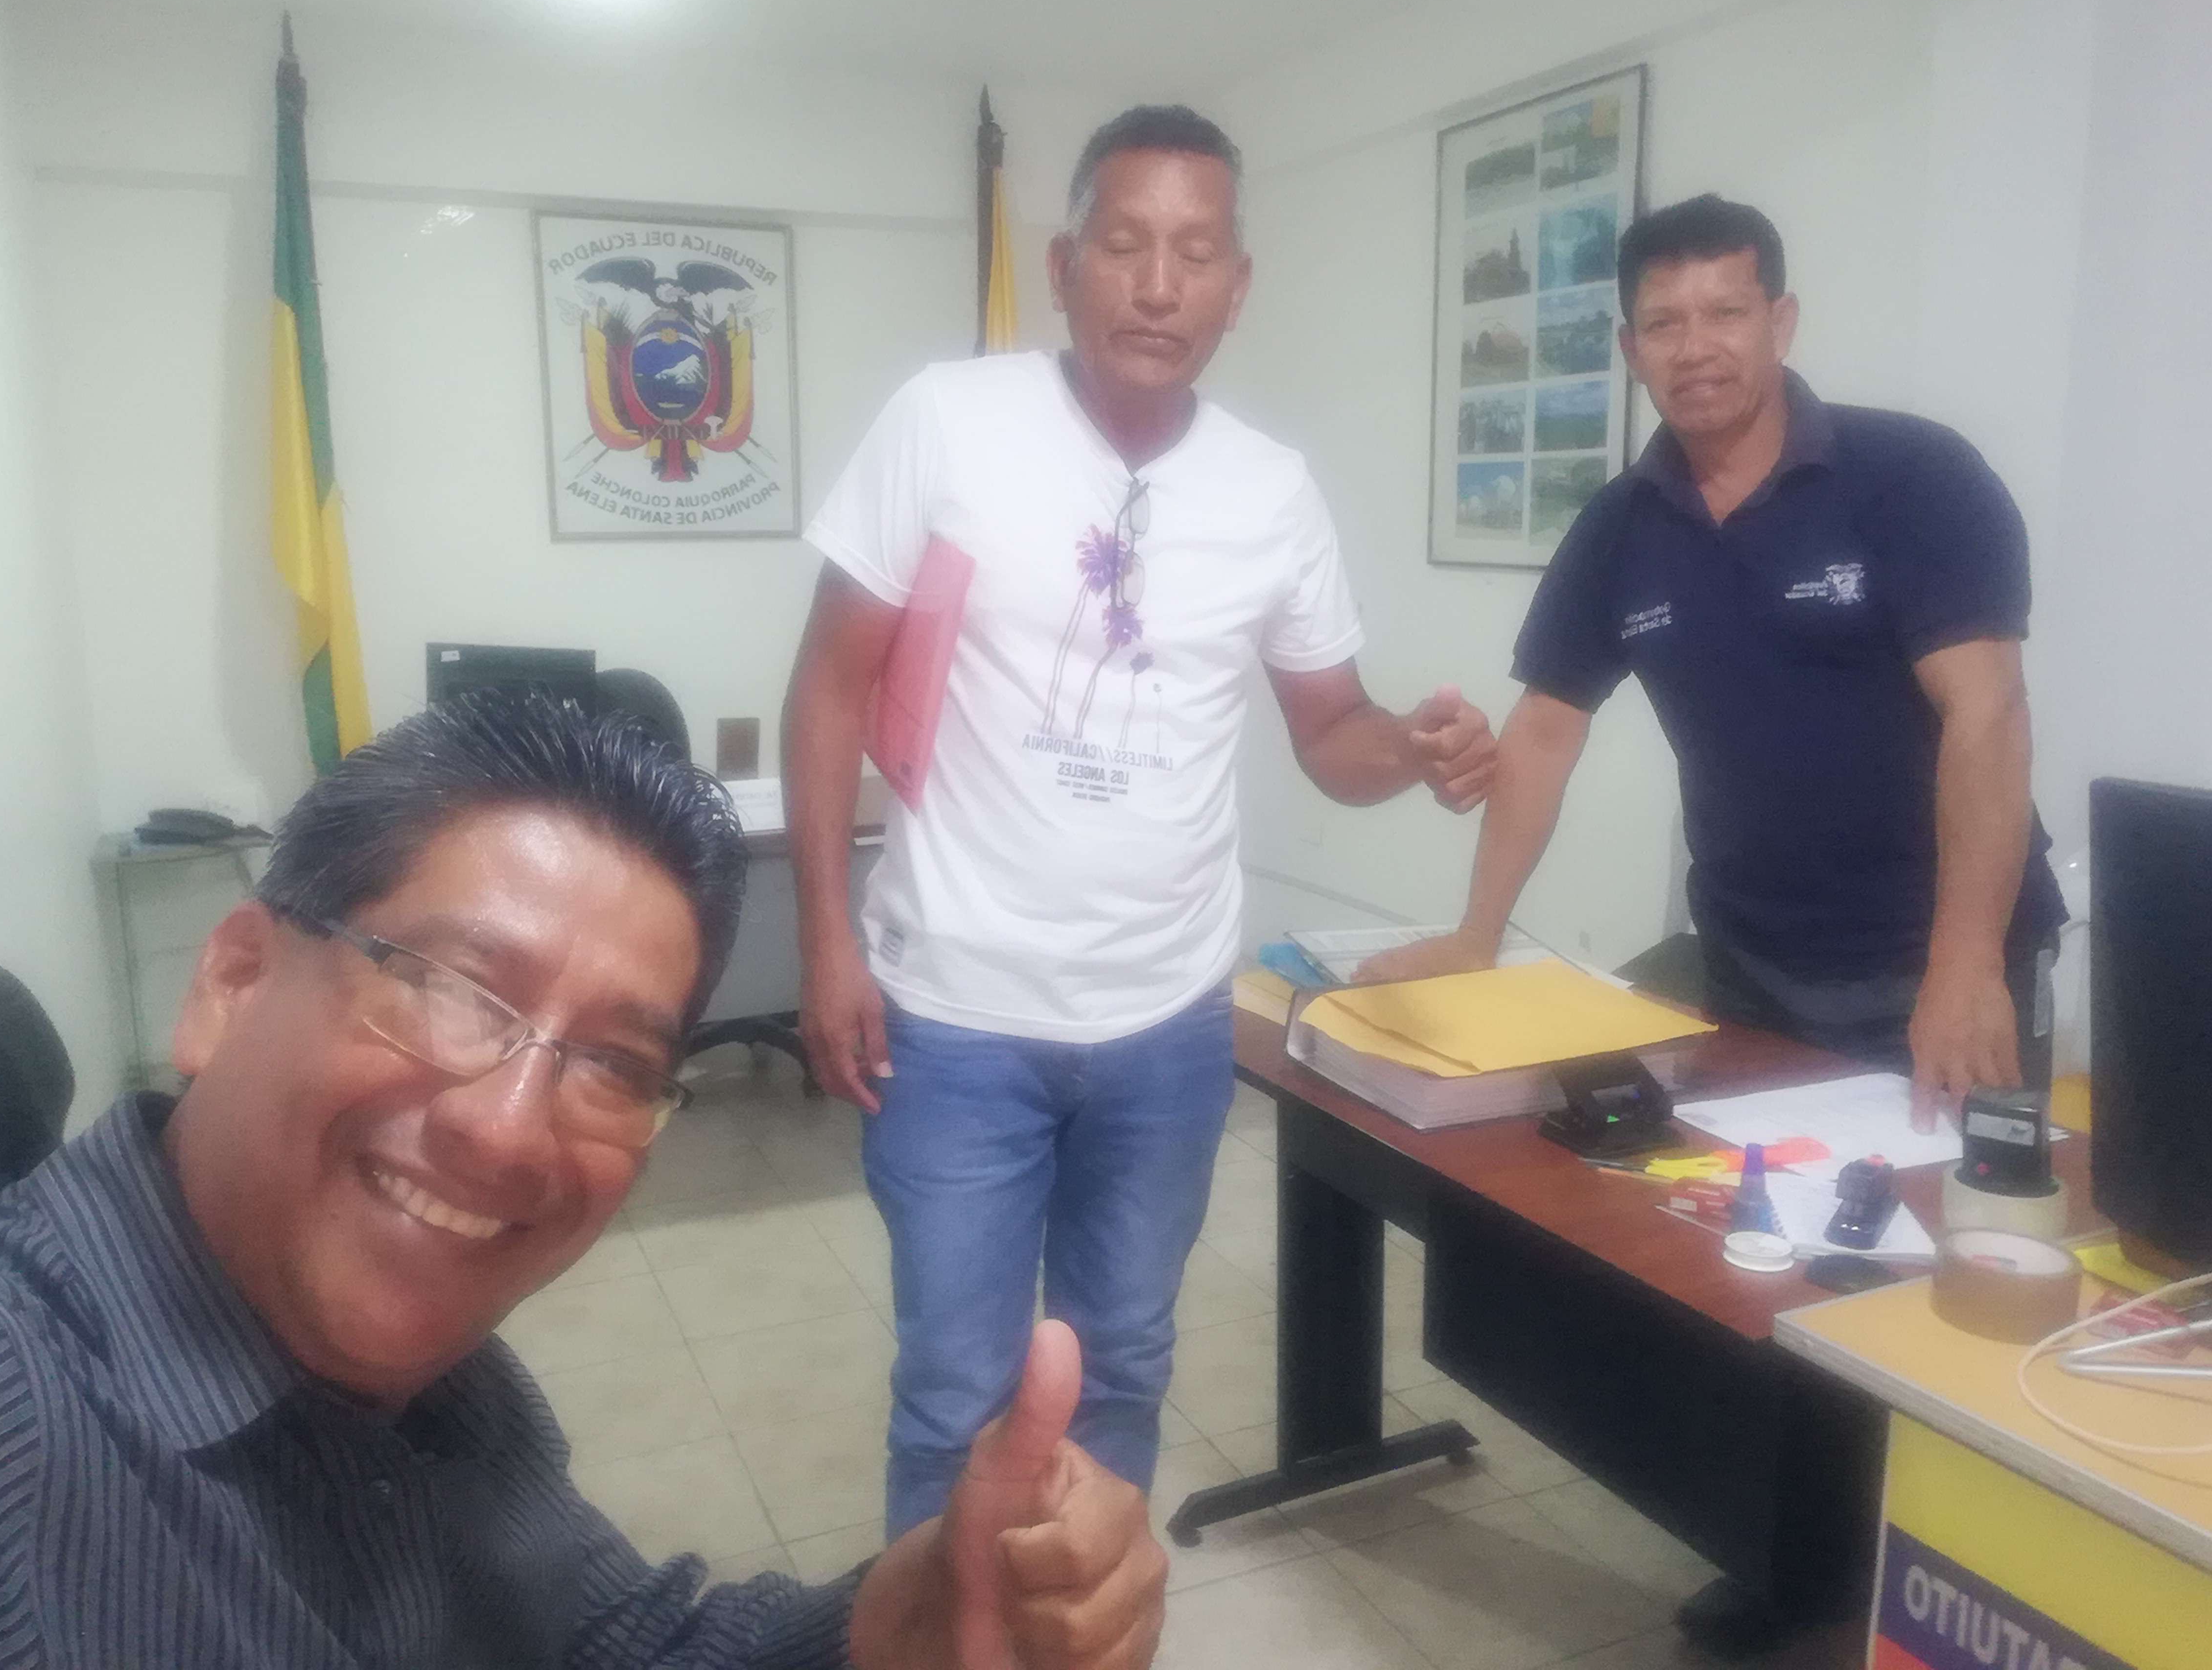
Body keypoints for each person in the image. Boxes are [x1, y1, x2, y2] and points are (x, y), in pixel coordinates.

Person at [0, 693, 1166, 1670]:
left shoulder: (453, 1398)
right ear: (235, 981)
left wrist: (890, 1632)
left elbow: (609, 1641)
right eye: (447, 989)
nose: (509, 1134)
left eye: (612, 1063)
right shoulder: (14, 1425)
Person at [783, 104, 1498, 1537]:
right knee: (955, 1389)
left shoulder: (1270, 492)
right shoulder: (949, 422)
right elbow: (830, 687)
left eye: (1195, 253)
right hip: (957, 1020)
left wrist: (1415, 755)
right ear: (1064, 267)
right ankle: (945, 1633)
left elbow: (1332, 735)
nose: (1158, 286)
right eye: (1124, 245)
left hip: (1166, 1029)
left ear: (1240, 286)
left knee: (1120, 1369)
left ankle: (1084, 1628)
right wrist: (824, 942)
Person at [1361, 194, 2066, 1128]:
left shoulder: (1913, 476)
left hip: (1940, 962)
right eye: (1664, 324)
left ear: (1781, 322)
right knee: (1741, 1208)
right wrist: (1474, 938)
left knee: (1951, 1211)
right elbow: (1544, 731)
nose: (1695, 348)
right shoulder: (1620, 527)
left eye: (1726, 313)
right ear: (1631, 349)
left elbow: (1988, 715)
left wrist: (1966, 968)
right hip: (1749, 967)